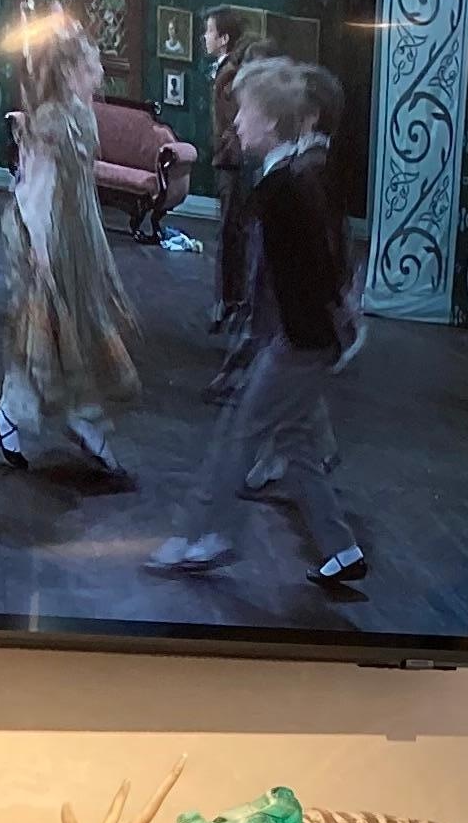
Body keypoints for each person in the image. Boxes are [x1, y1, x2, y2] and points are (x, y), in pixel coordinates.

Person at [148, 50, 365, 593]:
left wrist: (315, 329)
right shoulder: (288, 180)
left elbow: (311, 272)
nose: (236, 122)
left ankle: (204, 535)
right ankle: (342, 550)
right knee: (293, 443)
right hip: (304, 339)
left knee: (239, 433)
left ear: (270, 121)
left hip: (298, 343)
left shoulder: (288, 187)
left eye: (243, 112)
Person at [0, 13, 137, 483]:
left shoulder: (78, 111)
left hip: (76, 234)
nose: (99, 66)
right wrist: (39, 249)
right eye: (92, 60)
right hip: (51, 239)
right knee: (49, 334)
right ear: (72, 68)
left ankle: (82, 416)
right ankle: (16, 415)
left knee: (78, 329)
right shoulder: (54, 118)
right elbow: (35, 188)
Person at [202, 10, 263, 353]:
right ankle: (231, 301)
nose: (205, 38)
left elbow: (235, 125)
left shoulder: (229, 75)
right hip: (234, 163)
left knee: (231, 231)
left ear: (224, 38)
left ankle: (230, 302)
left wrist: (227, 153)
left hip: (234, 165)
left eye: (209, 32)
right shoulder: (229, 70)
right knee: (232, 232)